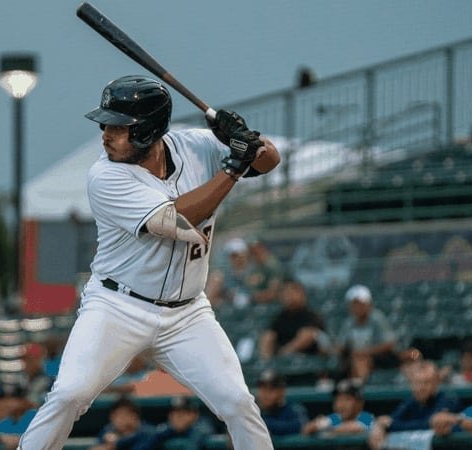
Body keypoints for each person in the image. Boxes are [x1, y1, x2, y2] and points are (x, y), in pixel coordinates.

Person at [18, 75, 280, 450]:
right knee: (69, 394)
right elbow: (175, 221)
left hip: (187, 315)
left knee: (238, 403)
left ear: (147, 131)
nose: (106, 134)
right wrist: (233, 168)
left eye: (118, 126)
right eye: (106, 124)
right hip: (117, 307)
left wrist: (243, 137)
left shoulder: (196, 146)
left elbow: (270, 160)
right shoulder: (104, 176)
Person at [368, 361, 462, 450]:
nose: (421, 387)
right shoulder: (412, 401)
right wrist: (379, 426)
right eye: (417, 383)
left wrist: (392, 425)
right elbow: (390, 420)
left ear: (436, 383)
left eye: (426, 383)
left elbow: (430, 424)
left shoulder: (448, 399)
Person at [334, 284, 398, 382]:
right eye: (354, 304)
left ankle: (359, 389)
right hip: (354, 358)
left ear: (368, 304)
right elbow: (341, 344)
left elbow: (389, 344)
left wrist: (364, 352)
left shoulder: (377, 319)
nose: (357, 308)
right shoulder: (349, 323)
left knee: (361, 360)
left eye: (360, 304)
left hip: (380, 359)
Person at [258, 278, 329, 360]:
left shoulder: (311, 315)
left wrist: (284, 353)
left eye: (292, 291)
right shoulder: (280, 318)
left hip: (309, 356)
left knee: (307, 334)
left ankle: (281, 360)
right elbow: (270, 335)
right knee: (267, 337)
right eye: (285, 293)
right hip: (283, 356)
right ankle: (267, 367)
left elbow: (310, 335)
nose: (288, 296)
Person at [134, 395, 215, 450]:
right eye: (176, 412)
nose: (179, 416)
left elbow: (192, 445)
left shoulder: (202, 426)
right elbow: (148, 442)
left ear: (195, 415)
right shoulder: (169, 427)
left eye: (184, 412)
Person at [303, 378, 374, 436]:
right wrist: (317, 425)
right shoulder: (335, 418)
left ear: (359, 403)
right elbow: (306, 429)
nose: (342, 405)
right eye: (338, 400)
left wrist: (326, 428)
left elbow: (356, 427)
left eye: (347, 400)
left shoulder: (366, 417)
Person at [255, 370, 309, 437]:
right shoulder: (256, 411)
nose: (264, 394)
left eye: (270, 389)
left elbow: (301, 426)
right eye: (262, 389)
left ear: (281, 391)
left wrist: (261, 423)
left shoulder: (295, 409)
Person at [0, 380, 39, 450]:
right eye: (9, 399)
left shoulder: (33, 415)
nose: (9, 403)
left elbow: (13, 443)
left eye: (16, 399)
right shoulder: (10, 418)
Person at [90, 395, 155, 450]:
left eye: (124, 415)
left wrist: (118, 443)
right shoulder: (108, 430)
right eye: (116, 416)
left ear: (135, 416)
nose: (120, 420)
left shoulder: (147, 431)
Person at [245, 237, 285, 304]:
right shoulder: (253, 268)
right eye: (252, 251)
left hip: (275, 304)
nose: (257, 253)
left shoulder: (274, 266)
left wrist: (253, 296)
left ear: (265, 249)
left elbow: (272, 294)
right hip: (258, 304)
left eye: (259, 248)